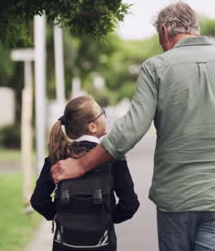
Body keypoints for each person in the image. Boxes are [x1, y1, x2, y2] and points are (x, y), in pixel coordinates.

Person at [51, 2, 215, 251]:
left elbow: (130, 130)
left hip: (176, 200)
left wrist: (81, 164)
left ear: (164, 31)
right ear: (195, 29)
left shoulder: (156, 67)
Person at [30, 96, 140, 251]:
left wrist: (60, 215)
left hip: (65, 243)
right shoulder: (112, 159)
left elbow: (38, 201)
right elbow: (130, 204)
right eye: (102, 112)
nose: (105, 115)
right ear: (92, 127)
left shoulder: (57, 158)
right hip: (102, 244)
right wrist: (106, 218)